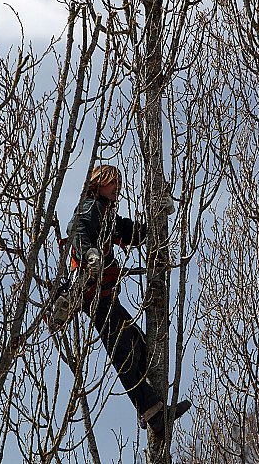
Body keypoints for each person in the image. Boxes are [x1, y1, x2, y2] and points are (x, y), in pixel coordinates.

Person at [65, 164, 191, 440]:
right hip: (92, 291)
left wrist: (161, 213)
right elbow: (77, 230)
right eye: (112, 183)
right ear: (97, 185)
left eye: (118, 183)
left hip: (105, 294)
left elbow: (137, 234)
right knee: (124, 352)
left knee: (138, 346)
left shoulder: (108, 215)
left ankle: (150, 409)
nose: (117, 187)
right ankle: (153, 414)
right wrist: (90, 255)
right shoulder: (89, 209)